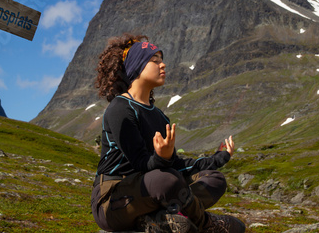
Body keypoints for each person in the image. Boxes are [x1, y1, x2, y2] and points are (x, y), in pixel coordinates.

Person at [91, 33, 245, 233]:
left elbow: (177, 164)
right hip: (112, 200)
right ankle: (205, 223)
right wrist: (162, 159)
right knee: (167, 179)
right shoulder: (120, 108)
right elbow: (140, 163)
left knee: (214, 179)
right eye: (154, 61)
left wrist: (217, 159)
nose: (162, 65)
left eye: (162, 61)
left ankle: (156, 219)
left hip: (153, 192)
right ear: (136, 67)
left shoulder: (160, 117)